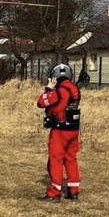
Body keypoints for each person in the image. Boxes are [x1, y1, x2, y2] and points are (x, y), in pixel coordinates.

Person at [36, 63, 81, 202]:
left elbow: (41, 102)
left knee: (56, 160)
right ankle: (73, 191)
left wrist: (48, 89)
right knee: (71, 159)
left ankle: (54, 193)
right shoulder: (75, 90)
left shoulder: (58, 92)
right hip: (73, 130)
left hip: (60, 130)